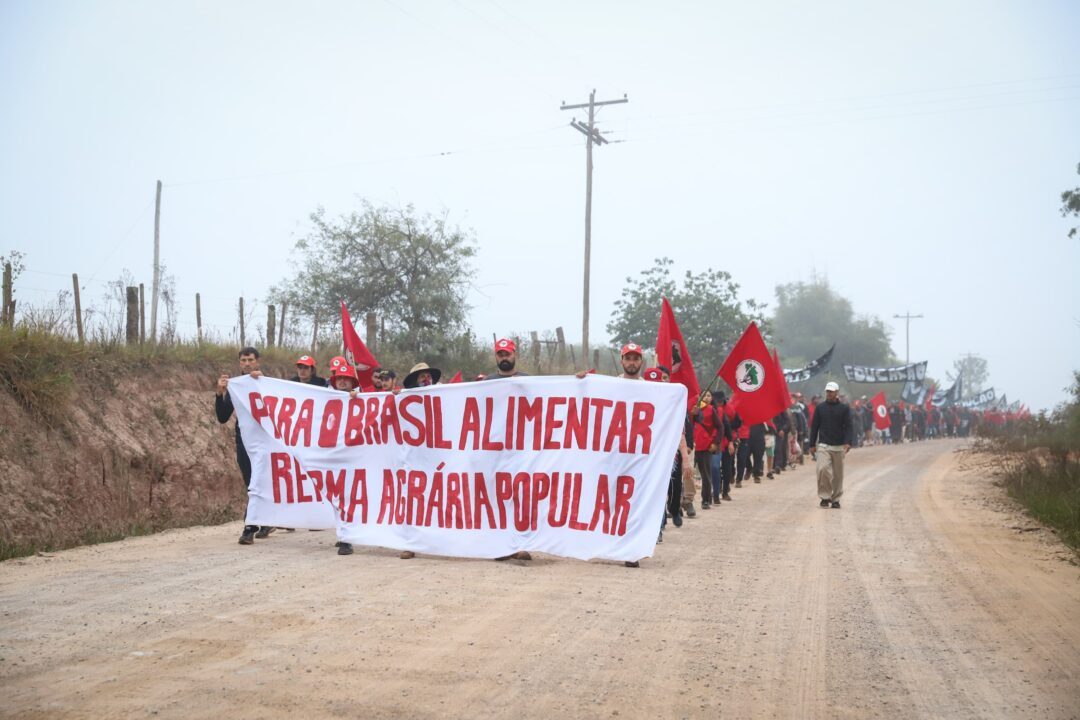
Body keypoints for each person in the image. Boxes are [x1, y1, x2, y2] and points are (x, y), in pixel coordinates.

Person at [215, 346, 275, 544]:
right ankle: (264, 520)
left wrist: (263, 382)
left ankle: (249, 527)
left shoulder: (266, 383)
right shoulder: (236, 386)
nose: (247, 364)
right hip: (244, 440)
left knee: (259, 480)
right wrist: (219, 394)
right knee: (251, 481)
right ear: (239, 363)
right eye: (243, 360)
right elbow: (223, 417)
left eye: (250, 360)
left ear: (257, 361)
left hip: (266, 440)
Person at [808, 381, 852, 509]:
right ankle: (825, 496)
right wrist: (812, 444)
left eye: (831, 391)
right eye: (827, 391)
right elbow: (814, 426)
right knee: (822, 470)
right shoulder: (820, 408)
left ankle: (836, 499)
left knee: (838, 475)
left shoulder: (844, 408)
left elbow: (849, 426)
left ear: (836, 393)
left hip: (839, 446)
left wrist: (848, 442)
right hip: (823, 445)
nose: (829, 393)